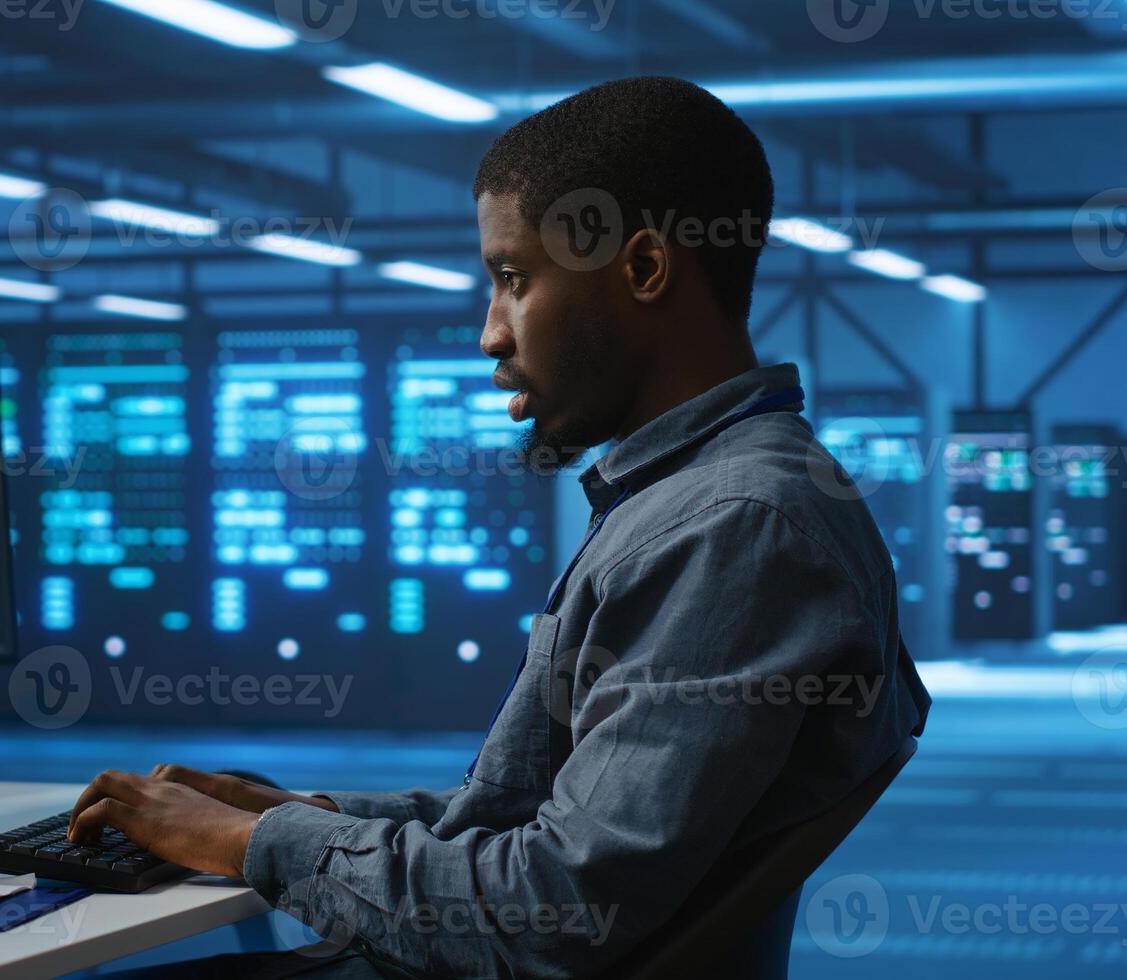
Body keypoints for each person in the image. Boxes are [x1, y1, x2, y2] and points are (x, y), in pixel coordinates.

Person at [66, 76, 932, 978]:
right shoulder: (695, 501)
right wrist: (298, 815)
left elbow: (552, 906)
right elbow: (528, 820)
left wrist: (254, 843)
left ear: (641, 269)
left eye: (513, 280)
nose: (489, 333)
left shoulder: (731, 528)